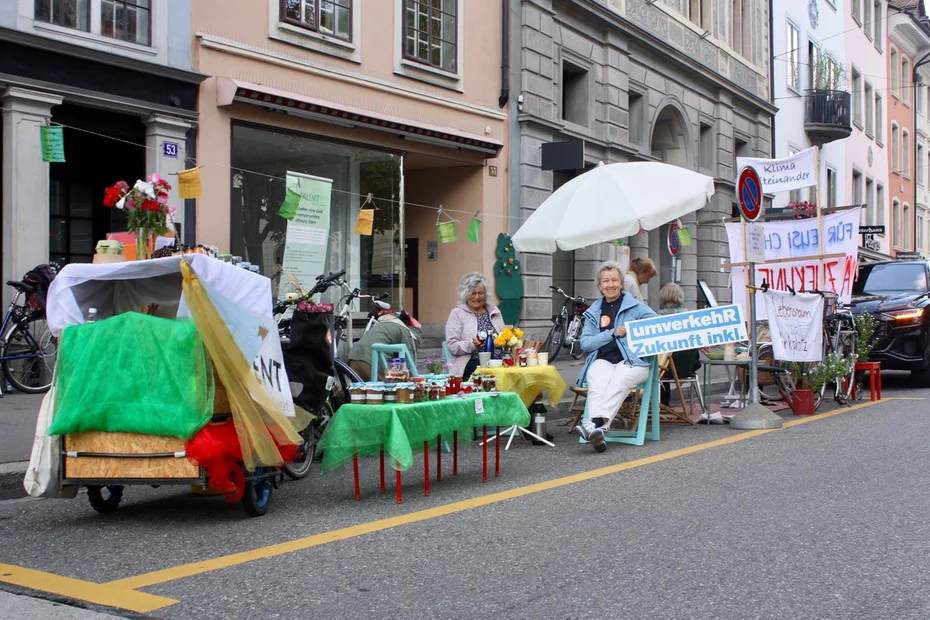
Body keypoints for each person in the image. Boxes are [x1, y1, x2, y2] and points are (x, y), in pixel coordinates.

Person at [575, 261, 657, 453]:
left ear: (622, 283)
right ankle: (599, 431)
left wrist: (633, 331)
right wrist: (611, 333)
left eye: (614, 280)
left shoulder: (636, 307)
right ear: (600, 285)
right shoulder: (594, 312)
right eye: (605, 281)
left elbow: (657, 326)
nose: (610, 285)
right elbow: (586, 343)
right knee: (596, 380)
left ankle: (594, 425)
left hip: (633, 361)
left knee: (619, 379)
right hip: (603, 359)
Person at [445, 272, 505, 381]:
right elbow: (452, 345)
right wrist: (471, 345)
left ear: (486, 294)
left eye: (480, 293)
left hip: (498, 363)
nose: (477, 297)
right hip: (471, 363)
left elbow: (504, 337)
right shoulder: (457, 313)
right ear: (465, 294)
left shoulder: (495, 312)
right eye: (472, 293)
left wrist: (509, 340)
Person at [657, 282, 702, 406]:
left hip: (663, 368)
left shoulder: (655, 317)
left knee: (661, 362)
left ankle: (663, 403)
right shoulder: (690, 315)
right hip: (687, 366)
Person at [348, 311, 417, 381]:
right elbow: (408, 362)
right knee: (386, 390)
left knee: (359, 391)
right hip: (372, 361)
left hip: (353, 358)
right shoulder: (405, 331)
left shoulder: (381, 325)